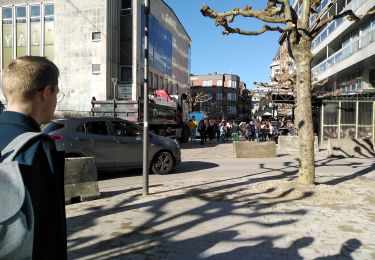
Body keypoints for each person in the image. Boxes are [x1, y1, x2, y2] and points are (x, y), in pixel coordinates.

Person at [0, 56, 67, 259]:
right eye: (57, 92)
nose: (56, 98)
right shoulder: (37, 146)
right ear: (46, 93)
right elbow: (48, 232)